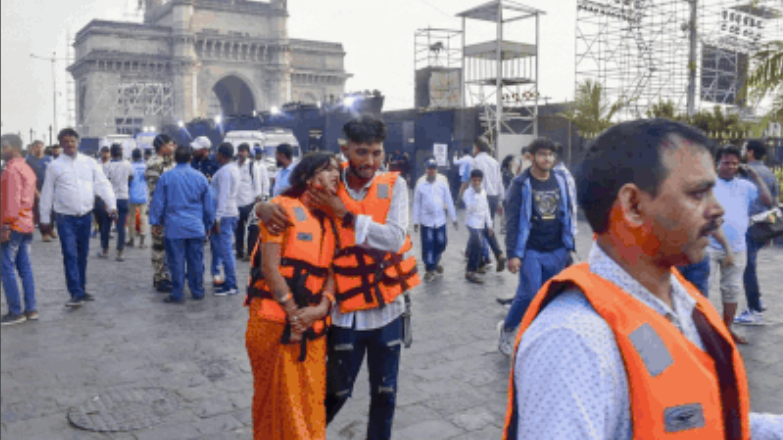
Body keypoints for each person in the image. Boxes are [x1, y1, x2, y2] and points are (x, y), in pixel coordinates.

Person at [501, 119, 783, 440]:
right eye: (698, 193)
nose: (717, 210)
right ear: (633, 205)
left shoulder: (681, 297)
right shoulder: (574, 341)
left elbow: (706, 419)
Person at [257, 115, 420, 440]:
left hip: (388, 309)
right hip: (343, 311)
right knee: (335, 392)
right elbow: (288, 203)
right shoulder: (327, 182)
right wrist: (260, 208)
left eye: (376, 153)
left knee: (385, 395)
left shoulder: (395, 186)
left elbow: (392, 238)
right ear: (345, 150)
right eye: (362, 153)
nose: (370, 162)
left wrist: (343, 214)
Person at [245, 152, 340, 439]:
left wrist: (322, 307)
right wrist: (294, 313)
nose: (336, 175)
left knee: (310, 403)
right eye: (328, 170)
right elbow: (270, 268)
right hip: (274, 324)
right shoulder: (280, 209)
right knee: (276, 405)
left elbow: (333, 274)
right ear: (309, 178)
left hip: (312, 328)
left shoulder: (332, 219)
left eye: (337, 170)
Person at [496, 138, 577, 355]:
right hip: (531, 249)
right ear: (531, 157)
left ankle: (542, 335)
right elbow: (512, 220)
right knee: (528, 293)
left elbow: (568, 213)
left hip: (557, 249)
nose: (548, 158)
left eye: (551, 154)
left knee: (551, 296)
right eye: (542, 154)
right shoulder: (521, 183)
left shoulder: (560, 179)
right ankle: (508, 329)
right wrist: (513, 254)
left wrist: (569, 245)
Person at [39, 128, 117, 308]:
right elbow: (47, 193)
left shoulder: (89, 163)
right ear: (61, 144)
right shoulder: (54, 166)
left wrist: (111, 204)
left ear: (77, 142)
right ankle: (75, 292)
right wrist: (44, 218)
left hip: (85, 216)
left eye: (72, 141)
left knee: (82, 255)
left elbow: (102, 184)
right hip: (65, 218)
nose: (69, 144)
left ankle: (81, 288)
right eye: (65, 142)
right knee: (70, 254)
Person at [708, 146, 772, 343]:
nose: (731, 167)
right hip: (709, 246)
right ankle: (703, 333)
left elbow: (768, 201)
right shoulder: (709, 185)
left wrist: (755, 175)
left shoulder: (746, 185)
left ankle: (727, 332)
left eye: (735, 163)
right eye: (726, 162)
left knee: (732, 289)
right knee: (702, 289)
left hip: (738, 247)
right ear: (717, 163)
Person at [149, 145, 214, 304]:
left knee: (175, 262)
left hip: (174, 228)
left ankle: (178, 294)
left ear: (174, 159)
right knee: (196, 261)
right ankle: (197, 291)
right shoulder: (200, 178)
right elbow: (208, 205)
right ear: (191, 159)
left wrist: (156, 222)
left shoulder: (166, 177)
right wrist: (208, 225)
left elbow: (158, 202)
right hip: (195, 226)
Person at [736, 139, 780, 325]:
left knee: (748, 268)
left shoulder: (746, 172)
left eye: (744, 148)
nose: (743, 150)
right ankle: (757, 301)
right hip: (765, 226)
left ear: (751, 152)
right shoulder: (770, 172)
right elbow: (774, 201)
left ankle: (754, 310)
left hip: (750, 225)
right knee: (749, 265)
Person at [1, 134, 38, 325]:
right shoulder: (26, 168)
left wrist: (5, 225)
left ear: (8, 147)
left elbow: (10, 201)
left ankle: (15, 311)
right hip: (26, 223)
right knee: (25, 268)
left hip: (13, 224)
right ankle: (31, 309)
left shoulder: (11, 170)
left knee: (6, 266)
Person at [413, 159, 457, 281]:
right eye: (429, 168)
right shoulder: (420, 184)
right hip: (426, 220)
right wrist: (415, 221)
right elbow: (416, 203)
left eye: (433, 168)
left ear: (436, 170)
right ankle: (430, 269)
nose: (431, 171)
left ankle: (435, 262)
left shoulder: (442, 183)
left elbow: (448, 200)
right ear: (426, 169)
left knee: (441, 242)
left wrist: (454, 218)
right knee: (428, 245)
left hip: (440, 219)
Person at [463, 169, 506, 284]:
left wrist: (490, 225)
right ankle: (471, 271)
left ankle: (498, 256)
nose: (476, 182)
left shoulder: (483, 191)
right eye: (474, 180)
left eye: (479, 180)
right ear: (471, 180)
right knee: (477, 243)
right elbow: (469, 207)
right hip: (472, 222)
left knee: (490, 235)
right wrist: (475, 194)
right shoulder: (468, 193)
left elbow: (486, 209)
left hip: (482, 221)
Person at [146, 134, 176, 293]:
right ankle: (159, 278)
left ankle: (167, 274)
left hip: (171, 211)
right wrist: (158, 215)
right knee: (159, 246)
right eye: (170, 144)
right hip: (159, 212)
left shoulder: (170, 163)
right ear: (162, 146)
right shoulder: (154, 164)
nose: (172, 147)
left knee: (169, 245)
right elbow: (155, 191)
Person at [210, 143, 240, 296]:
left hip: (225, 214)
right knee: (226, 249)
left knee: (226, 250)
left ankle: (231, 284)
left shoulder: (225, 172)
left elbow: (222, 196)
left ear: (221, 155)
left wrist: (217, 218)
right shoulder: (233, 169)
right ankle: (229, 281)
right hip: (230, 212)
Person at [100, 144, 133, 261]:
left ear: (111, 152)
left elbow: (105, 183)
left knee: (106, 224)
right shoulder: (127, 164)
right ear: (121, 152)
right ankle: (120, 252)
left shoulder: (107, 166)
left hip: (110, 200)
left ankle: (105, 250)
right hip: (123, 198)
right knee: (121, 226)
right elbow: (130, 178)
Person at [234, 143, 264, 262]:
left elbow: (257, 182)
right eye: (240, 151)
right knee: (238, 229)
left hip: (249, 201)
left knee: (252, 228)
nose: (241, 153)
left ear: (247, 152)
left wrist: (258, 197)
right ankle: (240, 251)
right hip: (236, 202)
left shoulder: (252, 166)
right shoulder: (234, 165)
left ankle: (251, 252)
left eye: (244, 151)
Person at [470, 137, 505, 222]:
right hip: (493, 197)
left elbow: (472, 181)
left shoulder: (475, 161)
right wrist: (501, 200)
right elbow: (499, 181)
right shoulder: (494, 162)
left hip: (480, 197)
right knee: (490, 223)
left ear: (477, 148)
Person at [25, 140, 48, 241]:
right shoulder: (28, 160)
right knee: (38, 212)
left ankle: (49, 228)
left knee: (49, 211)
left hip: (47, 187)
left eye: (41, 146)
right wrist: (35, 190)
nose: (39, 149)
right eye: (37, 147)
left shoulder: (48, 159)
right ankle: (45, 233)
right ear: (33, 148)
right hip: (34, 188)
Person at [127, 148, 149, 249]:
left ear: (132, 156)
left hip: (132, 194)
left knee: (131, 218)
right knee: (143, 217)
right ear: (141, 156)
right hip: (143, 194)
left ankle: (131, 240)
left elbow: (128, 180)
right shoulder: (146, 167)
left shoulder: (130, 167)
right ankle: (142, 242)